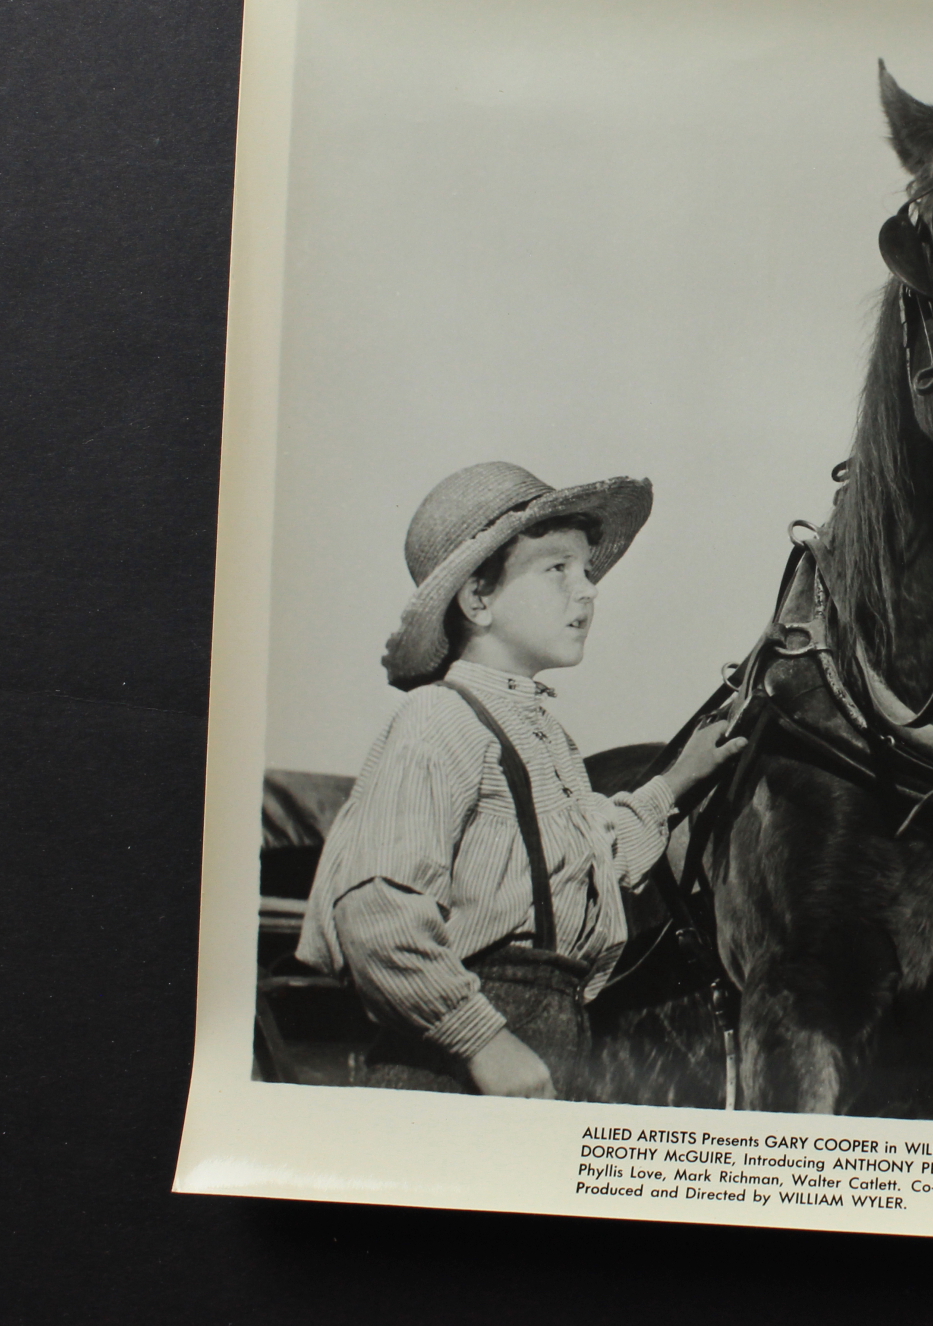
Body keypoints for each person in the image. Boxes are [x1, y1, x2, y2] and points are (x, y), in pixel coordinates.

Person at [297, 461, 744, 1100]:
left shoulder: (546, 739)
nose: (586, 591)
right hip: (448, 1065)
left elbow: (592, 856)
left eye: (587, 571)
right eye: (556, 568)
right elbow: (377, 909)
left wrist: (677, 781)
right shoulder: (438, 721)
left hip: (548, 1040)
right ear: (477, 599)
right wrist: (479, 1041)